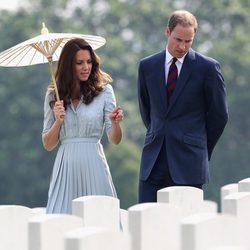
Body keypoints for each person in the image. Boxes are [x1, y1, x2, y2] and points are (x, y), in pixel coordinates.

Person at [137, 10, 229, 203]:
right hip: (153, 162)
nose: (182, 46)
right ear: (167, 32)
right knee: (148, 225)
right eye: (178, 39)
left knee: (184, 228)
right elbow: (147, 111)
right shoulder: (147, 66)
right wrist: (159, 133)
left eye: (188, 41)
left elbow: (219, 116)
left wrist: (200, 147)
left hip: (189, 163)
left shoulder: (208, 68)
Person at [42, 38, 123, 214]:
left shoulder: (105, 92)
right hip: (66, 167)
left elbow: (115, 139)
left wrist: (115, 123)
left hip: (94, 163)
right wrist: (58, 121)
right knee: (60, 218)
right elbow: (48, 144)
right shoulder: (52, 95)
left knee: (101, 217)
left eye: (89, 62)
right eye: (79, 63)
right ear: (68, 65)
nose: (86, 67)